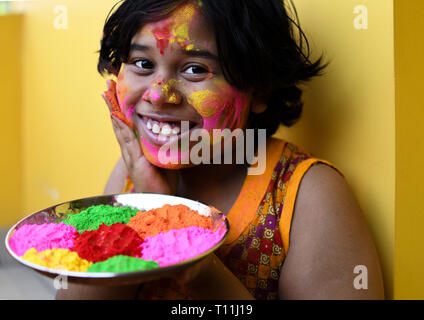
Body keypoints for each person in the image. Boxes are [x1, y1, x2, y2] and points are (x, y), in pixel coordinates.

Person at [56, 0, 384, 300]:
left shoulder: (306, 194)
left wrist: (174, 231)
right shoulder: (133, 173)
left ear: (259, 89)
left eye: (196, 69)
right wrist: (145, 207)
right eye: (142, 63)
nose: (158, 95)